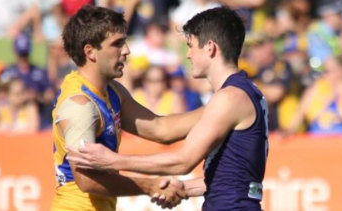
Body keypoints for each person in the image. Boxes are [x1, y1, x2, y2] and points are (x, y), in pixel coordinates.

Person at [67, 6, 269, 211]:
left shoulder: (228, 98)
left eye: (190, 46)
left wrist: (113, 161)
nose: (188, 55)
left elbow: (182, 162)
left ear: (210, 48)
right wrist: (184, 188)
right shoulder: (248, 92)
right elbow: (236, 179)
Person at [51, 5, 204, 211]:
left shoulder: (112, 90)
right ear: (90, 52)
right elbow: (86, 180)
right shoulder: (80, 105)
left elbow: (161, 128)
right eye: (117, 44)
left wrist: (220, 106)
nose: (127, 50)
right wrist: (149, 185)